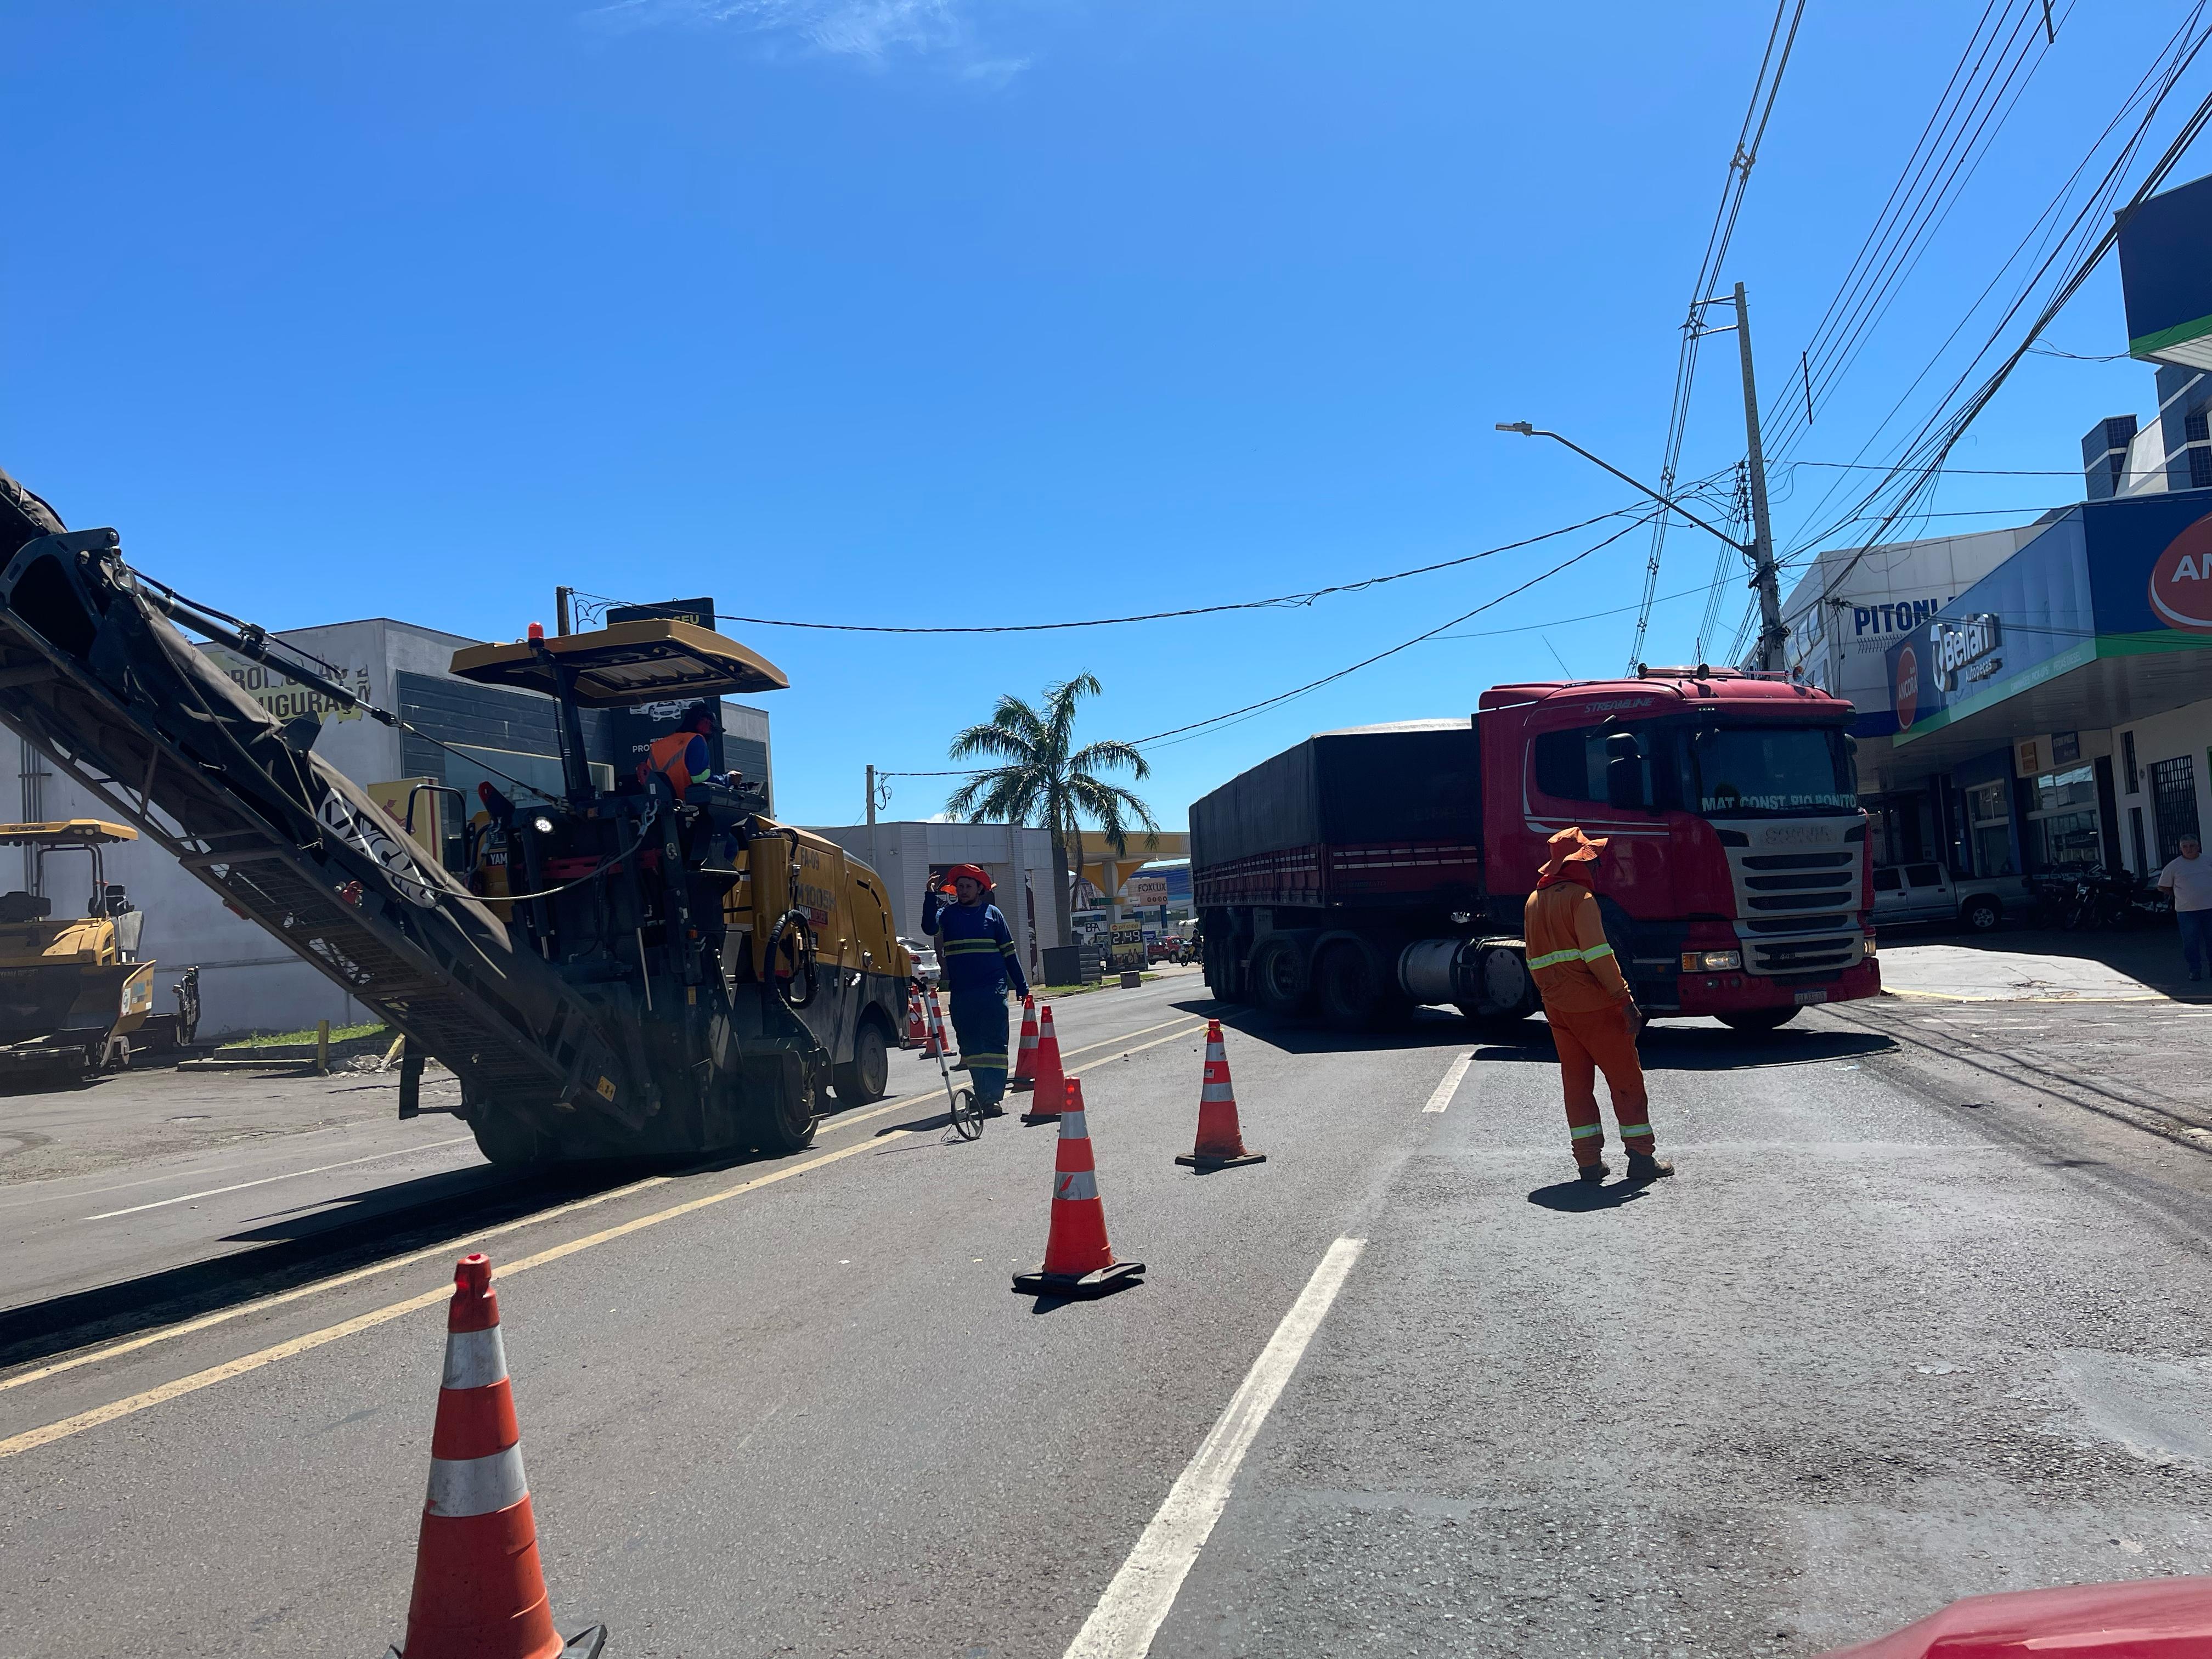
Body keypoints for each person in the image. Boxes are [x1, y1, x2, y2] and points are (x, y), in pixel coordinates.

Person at [1523, 825, 1673, 1186]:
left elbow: (1532, 959)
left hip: (1558, 1008)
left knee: (1577, 1085)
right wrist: (1625, 1000)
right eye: (1593, 862)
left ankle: (1589, 1163)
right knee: (1626, 1081)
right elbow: (1598, 956)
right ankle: (1640, 1157)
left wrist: (1553, 998)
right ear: (1579, 865)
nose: (1597, 868)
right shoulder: (1581, 900)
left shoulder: (1534, 901)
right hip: (1595, 1005)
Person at [921, 864, 1031, 1116]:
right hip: (962, 993)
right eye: (959, 887)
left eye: (968, 886)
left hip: (992, 991)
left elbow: (1010, 956)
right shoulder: (947, 914)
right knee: (970, 1045)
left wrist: (1022, 987)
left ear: (980, 889)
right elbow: (929, 928)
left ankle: (992, 1097)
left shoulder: (993, 914)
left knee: (993, 1044)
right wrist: (929, 896)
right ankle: (982, 1093)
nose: (963, 891)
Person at [2158, 833, 2212, 981]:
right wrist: (2179, 895)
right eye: (2185, 847)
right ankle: (2195, 970)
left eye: (2192, 846)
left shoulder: (2208, 861)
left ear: (2198, 847)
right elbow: (2163, 886)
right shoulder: (2174, 866)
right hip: (2187, 912)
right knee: (2190, 942)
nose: (2189, 849)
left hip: (2210, 909)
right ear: (2181, 849)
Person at [643, 702, 716, 797]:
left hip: (659, 806)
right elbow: (700, 779)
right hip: (686, 805)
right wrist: (727, 779)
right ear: (706, 723)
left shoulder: (657, 746)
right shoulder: (696, 740)